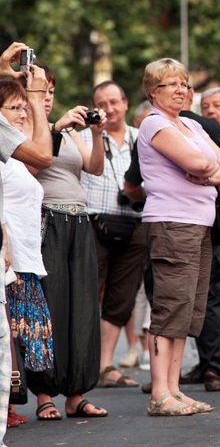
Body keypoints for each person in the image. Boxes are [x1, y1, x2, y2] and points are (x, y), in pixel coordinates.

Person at [138, 58, 220, 416]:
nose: (180, 90)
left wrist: (207, 171)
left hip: (200, 224)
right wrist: (207, 168)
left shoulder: (190, 125)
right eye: (170, 85)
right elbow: (201, 164)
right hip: (172, 223)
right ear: (152, 92)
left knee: (188, 311)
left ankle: (174, 390)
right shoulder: (155, 124)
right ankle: (160, 393)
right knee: (170, 307)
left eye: (183, 83)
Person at [27, 63, 109, 420]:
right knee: (52, 307)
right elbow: (34, 163)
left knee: (83, 308)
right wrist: (55, 127)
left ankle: (77, 394)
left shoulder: (66, 131)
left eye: (51, 91)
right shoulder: (25, 128)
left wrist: (96, 132)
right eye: (42, 91)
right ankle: (45, 394)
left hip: (79, 220)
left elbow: (94, 167)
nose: (47, 98)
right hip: (47, 220)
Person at [79, 81, 148, 390]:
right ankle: (81, 363)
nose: (108, 108)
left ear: (125, 103)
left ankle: (105, 364)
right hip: (95, 222)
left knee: (121, 299)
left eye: (114, 102)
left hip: (135, 223)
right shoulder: (84, 137)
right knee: (87, 293)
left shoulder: (141, 138)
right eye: (101, 103)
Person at [0, 43, 52, 447]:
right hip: (9, 254)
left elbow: (38, 153)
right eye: (12, 108)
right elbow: (46, 155)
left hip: (24, 255)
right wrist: (34, 97)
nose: (22, 114)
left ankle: (10, 404)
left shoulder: (13, 155)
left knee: (17, 337)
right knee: (11, 337)